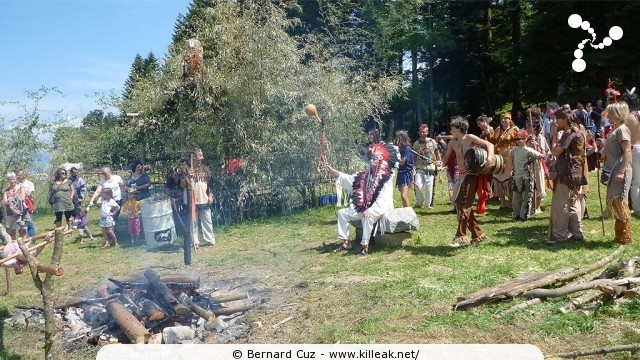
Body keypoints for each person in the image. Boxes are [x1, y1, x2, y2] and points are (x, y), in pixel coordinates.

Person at [324, 142, 398, 255]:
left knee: (367, 216)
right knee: (342, 213)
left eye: (375, 158)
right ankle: (346, 242)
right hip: (365, 207)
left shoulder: (385, 178)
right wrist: (332, 171)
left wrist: (371, 210)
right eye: (371, 158)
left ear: (381, 161)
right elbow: (350, 179)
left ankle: (365, 246)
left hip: (379, 209)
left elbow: (383, 198)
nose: (371, 160)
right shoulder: (365, 176)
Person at [443, 116, 494, 247]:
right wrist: (439, 164)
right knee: (460, 204)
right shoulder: (452, 143)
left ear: (460, 129)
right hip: (460, 176)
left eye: (453, 128)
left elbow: (489, 145)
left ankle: (460, 236)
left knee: (465, 204)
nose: (451, 131)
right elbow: (446, 158)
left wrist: (489, 158)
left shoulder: (470, 138)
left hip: (471, 174)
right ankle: (477, 234)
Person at [547, 109, 588, 245]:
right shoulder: (579, 131)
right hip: (576, 173)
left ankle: (560, 236)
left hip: (567, 174)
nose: (556, 122)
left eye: (559, 119)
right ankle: (577, 233)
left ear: (565, 119)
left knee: (561, 204)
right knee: (573, 203)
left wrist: (553, 138)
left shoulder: (569, 133)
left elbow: (556, 151)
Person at [602, 102, 633, 244]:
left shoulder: (622, 129)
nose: (609, 115)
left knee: (619, 201)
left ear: (618, 114)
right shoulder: (616, 129)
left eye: (611, 112)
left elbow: (627, 151)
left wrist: (621, 171)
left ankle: (625, 237)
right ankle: (620, 236)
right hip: (614, 169)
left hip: (620, 170)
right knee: (616, 202)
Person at [181, 148, 215, 249]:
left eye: (202, 156)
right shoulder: (186, 168)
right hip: (191, 199)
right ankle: (195, 241)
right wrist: (188, 175)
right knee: (193, 222)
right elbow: (181, 184)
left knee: (207, 220)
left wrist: (210, 195)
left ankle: (210, 240)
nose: (202, 158)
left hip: (203, 198)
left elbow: (210, 184)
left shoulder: (205, 168)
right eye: (200, 156)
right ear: (194, 157)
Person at [509, 130, 545, 221]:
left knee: (526, 197)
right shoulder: (514, 150)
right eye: (516, 139)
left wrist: (535, 147)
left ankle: (523, 216)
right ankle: (517, 214)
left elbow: (540, 156)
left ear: (525, 139)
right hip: (516, 176)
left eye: (519, 139)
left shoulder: (529, 150)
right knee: (516, 198)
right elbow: (510, 158)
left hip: (526, 177)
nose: (517, 141)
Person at [491, 112, 519, 209]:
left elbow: (519, 142)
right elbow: (492, 142)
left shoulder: (515, 130)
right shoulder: (497, 130)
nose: (503, 120)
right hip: (499, 158)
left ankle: (510, 202)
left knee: (509, 180)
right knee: (498, 179)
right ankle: (503, 202)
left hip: (510, 157)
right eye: (501, 119)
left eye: (505, 118)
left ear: (510, 120)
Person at [525, 107, 550, 215]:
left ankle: (537, 207)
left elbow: (545, 152)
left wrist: (536, 145)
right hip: (528, 165)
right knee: (529, 184)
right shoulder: (526, 138)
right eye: (528, 126)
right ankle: (530, 206)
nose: (528, 128)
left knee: (538, 184)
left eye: (530, 126)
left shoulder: (540, 137)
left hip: (537, 164)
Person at [412, 124, 440, 209]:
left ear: (427, 132)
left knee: (429, 186)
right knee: (417, 185)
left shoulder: (432, 141)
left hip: (430, 167)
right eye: (420, 131)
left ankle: (428, 204)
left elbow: (437, 152)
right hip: (419, 167)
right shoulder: (416, 143)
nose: (421, 133)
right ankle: (420, 202)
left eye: (423, 132)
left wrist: (439, 163)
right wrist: (414, 165)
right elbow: (414, 155)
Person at [622, 90, 640, 216]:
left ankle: (637, 208)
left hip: (633, 149)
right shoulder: (638, 115)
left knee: (635, 181)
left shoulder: (628, 118)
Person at [476, 116, 494, 215]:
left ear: (484, 122)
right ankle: (488, 194)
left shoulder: (491, 130)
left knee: (489, 176)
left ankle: (490, 195)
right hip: (484, 155)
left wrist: (488, 133)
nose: (478, 126)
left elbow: (492, 142)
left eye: (479, 123)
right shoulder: (483, 132)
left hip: (491, 155)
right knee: (486, 176)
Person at [2, 172, 29, 240]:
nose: (12, 181)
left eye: (13, 179)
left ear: (16, 179)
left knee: (22, 231)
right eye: (10, 179)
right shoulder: (6, 191)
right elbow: (5, 202)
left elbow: (22, 198)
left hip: (20, 213)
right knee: (12, 232)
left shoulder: (21, 188)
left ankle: (24, 247)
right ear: (8, 180)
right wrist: (15, 199)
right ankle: (14, 248)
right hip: (10, 214)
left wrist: (11, 200)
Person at [394, 130, 413, 208]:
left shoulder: (407, 149)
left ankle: (409, 213)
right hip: (401, 173)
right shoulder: (401, 149)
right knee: (403, 196)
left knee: (404, 196)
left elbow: (402, 162)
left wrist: (395, 158)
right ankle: (406, 211)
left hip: (406, 174)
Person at [16, 169, 36, 237]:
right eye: (17, 175)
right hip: (19, 205)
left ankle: (32, 237)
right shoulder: (16, 184)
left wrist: (22, 192)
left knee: (29, 220)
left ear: (24, 175)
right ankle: (23, 238)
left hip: (28, 204)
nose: (17, 176)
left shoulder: (30, 183)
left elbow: (28, 193)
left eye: (19, 175)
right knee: (21, 222)